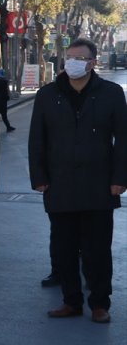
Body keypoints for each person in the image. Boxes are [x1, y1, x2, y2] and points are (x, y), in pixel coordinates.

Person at [28, 38, 127, 325]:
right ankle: (71, 301)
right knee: (64, 249)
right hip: (60, 184)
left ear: (92, 63)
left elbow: (123, 140)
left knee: (98, 250)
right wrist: (39, 177)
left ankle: (100, 304)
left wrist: (120, 179)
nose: (72, 63)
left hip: (99, 186)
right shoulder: (48, 95)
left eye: (79, 58)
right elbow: (37, 140)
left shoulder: (111, 93)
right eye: (69, 57)